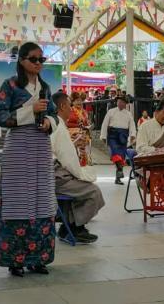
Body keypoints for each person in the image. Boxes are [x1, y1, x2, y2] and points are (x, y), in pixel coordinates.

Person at [0, 42, 58, 277]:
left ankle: (38, 258)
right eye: (34, 59)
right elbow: (0, 116)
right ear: (21, 60)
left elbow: (54, 114)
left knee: (43, 200)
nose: (39, 63)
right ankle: (15, 260)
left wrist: (49, 121)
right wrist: (31, 110)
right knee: (17, 201)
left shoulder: (45, 87)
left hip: (41, 146)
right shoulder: (10, 85)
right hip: (18, 148)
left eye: (42, 59)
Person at [51, 92, 104, 244]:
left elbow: (60, 151)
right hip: (57, 176)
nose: (72, 109)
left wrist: (73, 144)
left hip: (56, 172)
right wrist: (81, 174)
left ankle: (69, 226)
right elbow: (67, 160)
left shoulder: (56, 124)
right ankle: (74, 228)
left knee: (83, 185)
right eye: (70, 105)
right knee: (93, 191)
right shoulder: (58, 126)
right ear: (62, 106)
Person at [100, 95, 137, 185]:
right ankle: (119, 171)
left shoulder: (128, 114)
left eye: (122, 102)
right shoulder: (111, 111)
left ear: (125, 104)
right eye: (119, 101)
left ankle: (118, 177)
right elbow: (105, 124)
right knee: (115, 153)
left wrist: (133, 135)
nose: (120, 103)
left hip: (123, 136)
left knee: (121, 156)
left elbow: (132, 125)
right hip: (112, 135)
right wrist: (103, 136)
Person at [65, 91, 92, 168]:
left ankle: (83, 164)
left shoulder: (84, 112)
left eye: (80, 100)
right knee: (74, 151)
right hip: (71, 134)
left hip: (83, 134)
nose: (79, 102)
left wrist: (87, 125)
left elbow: (86, 123)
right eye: (77, 100)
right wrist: (77, 126)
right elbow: (66, 123)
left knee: (83, 150)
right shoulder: (69, 110)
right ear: (72, 102)